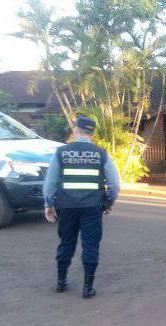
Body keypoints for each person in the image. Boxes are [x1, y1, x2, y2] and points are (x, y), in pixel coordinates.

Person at [43, 115, 120, 299]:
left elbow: (51, 182)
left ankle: (61, 283)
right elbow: (114, 184)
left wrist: (49, 204)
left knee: (66, 242)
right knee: (91, 245)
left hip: (67, 207)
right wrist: (109, 202)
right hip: (93, 206)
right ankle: (88, 288)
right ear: (92, 133)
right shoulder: (101, 153)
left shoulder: (61, 152)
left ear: (76, 130)